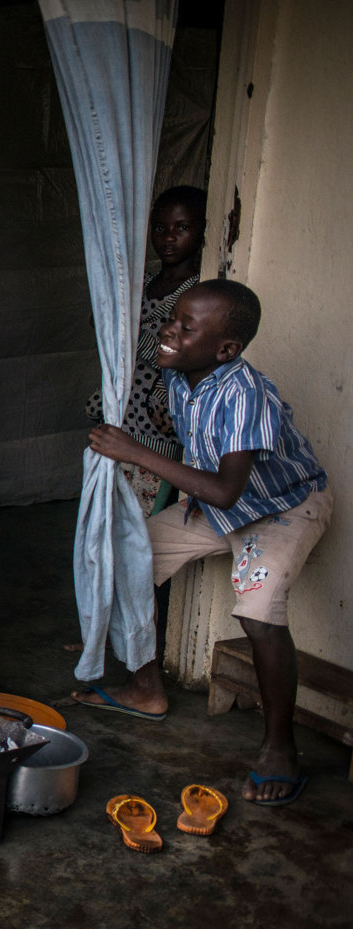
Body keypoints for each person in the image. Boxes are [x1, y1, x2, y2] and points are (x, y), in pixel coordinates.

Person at [78, 280, 332, 806]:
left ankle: (280, 748)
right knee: (125, 556)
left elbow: (225, 486)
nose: (169, 331)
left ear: (226, 350)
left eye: (185, 327)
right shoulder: (180, 376)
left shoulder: (245, 391)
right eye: (173, 319)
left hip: (281, 510)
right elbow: (199, 468)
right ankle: (146, 689)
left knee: (259, 614)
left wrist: (132, 452)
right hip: (215, 509)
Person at [86, 185, 207, 515]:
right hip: (122, 416)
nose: (169, 238)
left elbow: (177, 353)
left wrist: (125, 331)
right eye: (160, 228)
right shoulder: (140, 284)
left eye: (182, 228)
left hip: (158, 427)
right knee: (111, 515)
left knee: (144, 523)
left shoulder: (196, 293)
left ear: (202, 230)